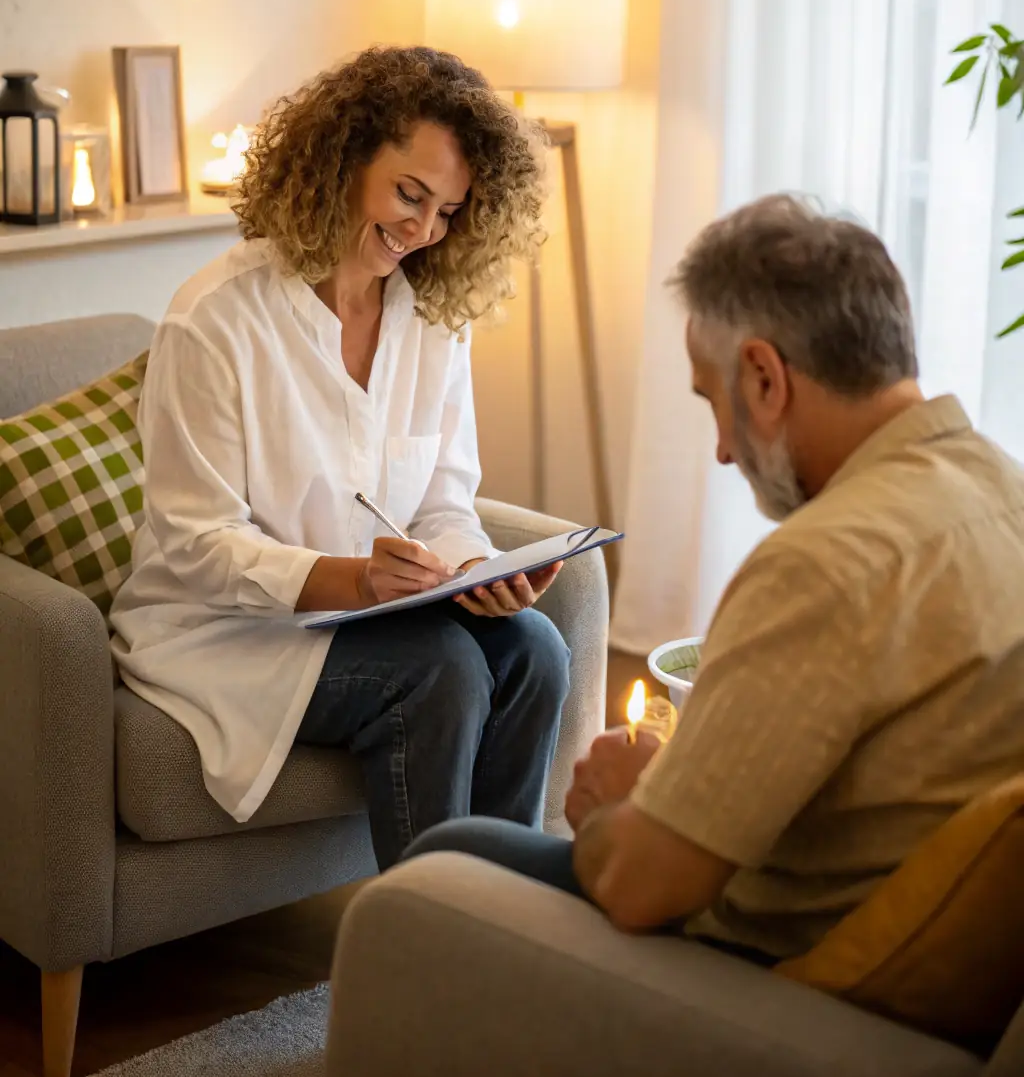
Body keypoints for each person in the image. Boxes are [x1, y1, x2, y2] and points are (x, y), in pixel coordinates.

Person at [405, 193, 1024, 962]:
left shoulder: (825, 562)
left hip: (766, 964)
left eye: (713, 400)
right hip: (933, 940)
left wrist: (618, 808)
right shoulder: (1005, 488)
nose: (724, 451)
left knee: (445, 859)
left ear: (764, 376)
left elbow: (642, 885)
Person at [110, 46, 571, 871]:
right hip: (226, 629)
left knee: (536, 649)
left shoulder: (433, 318)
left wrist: (481, 569)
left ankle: (507, 930)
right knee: (442, 669)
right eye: (409, 193)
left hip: (372, 617)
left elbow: (444, 503)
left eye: (449, 211)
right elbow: (198, 544)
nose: (423, 230)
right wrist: (352, 579)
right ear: (344, 157)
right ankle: (423, 956)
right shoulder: (215, 320)